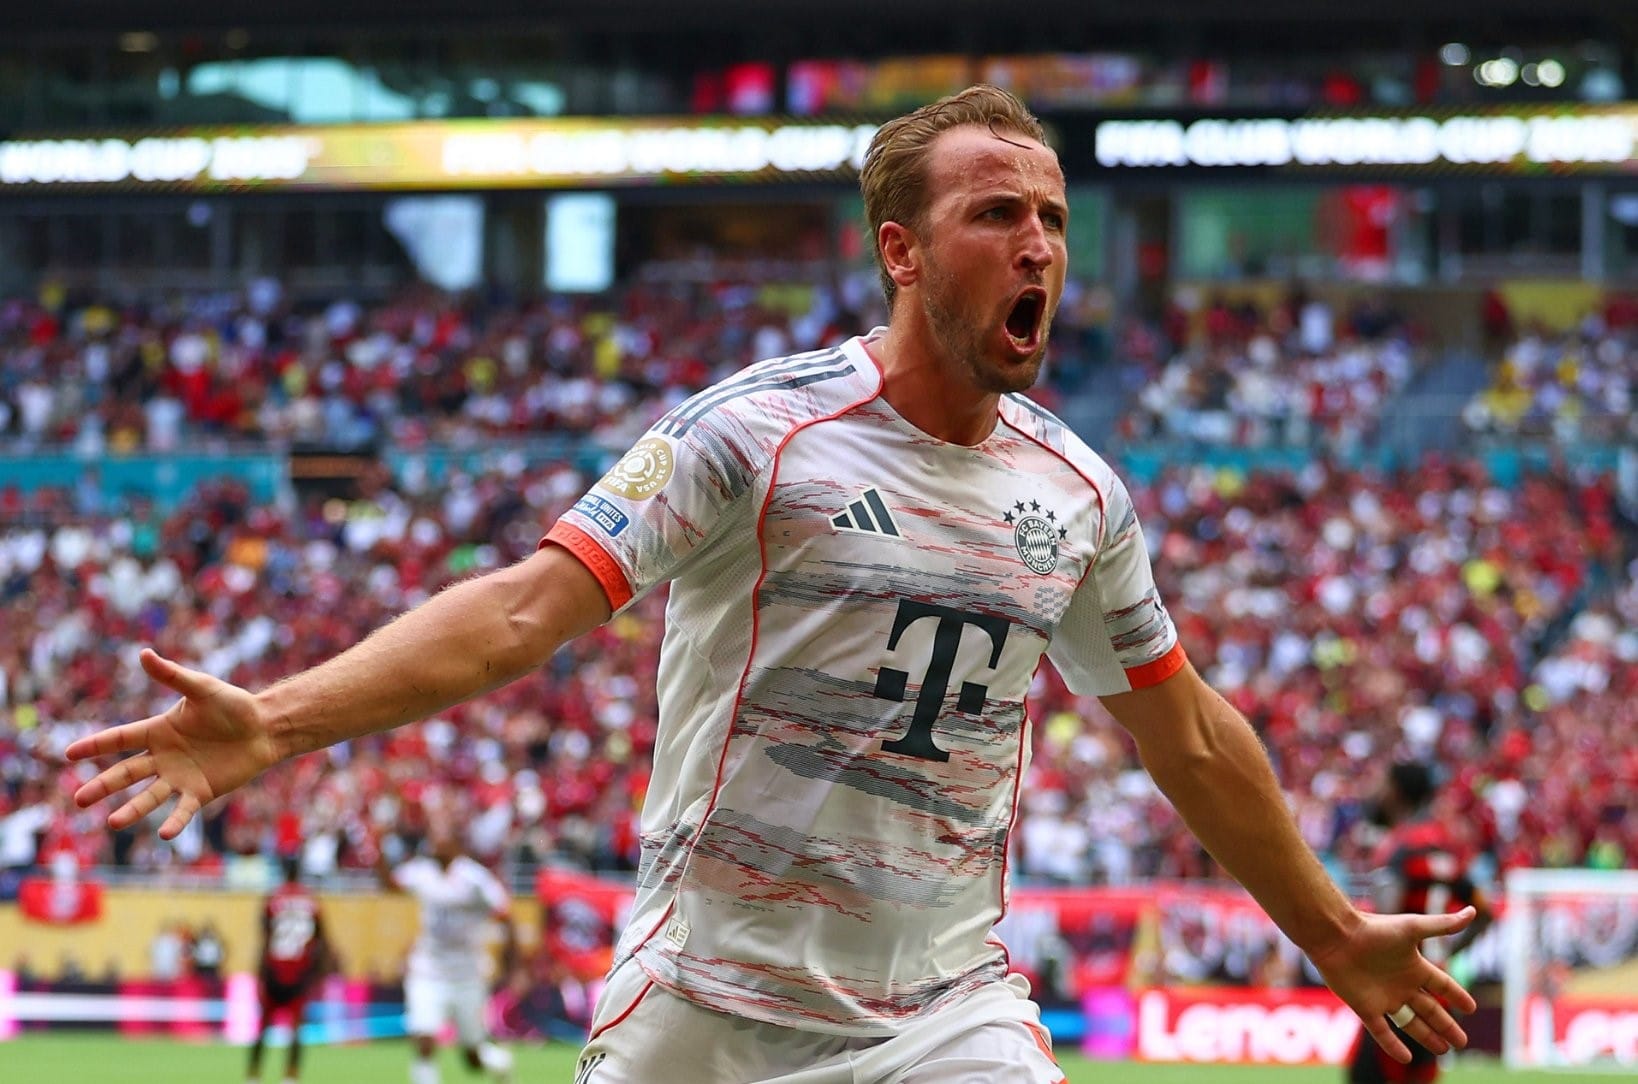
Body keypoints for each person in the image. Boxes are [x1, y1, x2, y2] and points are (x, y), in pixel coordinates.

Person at [68, 84, 1479, 1084]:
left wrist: (1332, 933)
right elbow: (520, 613)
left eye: (1052, 217)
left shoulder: (1081, 494)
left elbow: (1189, 736)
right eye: (997, 213)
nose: (1040, 245)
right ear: (900, 251)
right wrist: (277, 720)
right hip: (704, 1013)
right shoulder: (754, 434)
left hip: (946, 1014)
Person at [1346, 762, 1495, 1084]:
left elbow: (1386, 917)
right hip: (1436, 984)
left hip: (1398, 983)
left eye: (1384, 785)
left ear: (1396, 793)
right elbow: (1484, 913)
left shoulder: (1398, 848)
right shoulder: (1447, 849)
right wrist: (1445, 953)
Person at [375, 823, 517, 1084]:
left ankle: (500, 1062)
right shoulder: (422, 872)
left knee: (472, 1057)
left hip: (466, 974)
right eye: (434, 841)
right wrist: (378, 852)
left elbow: (504, 913)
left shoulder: (475, 879)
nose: (436, 847)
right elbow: (391, 885)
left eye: (442, 841)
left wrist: (511, 960)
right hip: (428, 970)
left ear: (455, 846)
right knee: (423, 1038)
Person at [248, 856, 332, 1084]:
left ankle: (253, 1076)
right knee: (296, 1029)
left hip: (275, 968)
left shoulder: (273, 898)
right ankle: (290, 1077)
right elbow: (321, 939)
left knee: (263, 1027)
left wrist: (260, 970)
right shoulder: (312, 901)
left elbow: (265, 936)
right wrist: (319, 971)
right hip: (300, 970)